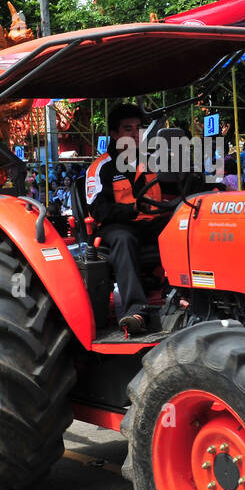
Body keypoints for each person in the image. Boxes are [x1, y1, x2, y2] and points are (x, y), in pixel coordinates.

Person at [85, 103, 167, 334]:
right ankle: (137, 310)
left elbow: (173, 188)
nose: (135, 134)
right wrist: (132, 209)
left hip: (152, 222)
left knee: (188, 225)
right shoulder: (100, 167)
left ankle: (190, 294)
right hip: (118, 226)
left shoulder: (154, 160)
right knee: (123, 239)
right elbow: (99, 211)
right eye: (128, 128)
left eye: (139, 128)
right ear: (114, 134)